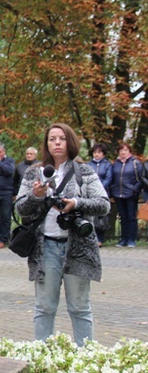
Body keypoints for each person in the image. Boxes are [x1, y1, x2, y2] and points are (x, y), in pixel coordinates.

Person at [15, 123, 109, 346]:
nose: (57, 143)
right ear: (46, 144)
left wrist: (76, 203)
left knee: (79, 307)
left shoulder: (83, 171)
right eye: (52, 139)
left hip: (77, 248)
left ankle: (85, 360)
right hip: (45, 246)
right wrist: (36, 196)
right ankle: (43, 360)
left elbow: (103, 204)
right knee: (44, 307)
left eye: (62, 138)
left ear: (70, 142)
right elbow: (20, 208)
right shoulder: (33, 172)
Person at [110, 142, 143, 248]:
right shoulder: (116, 163)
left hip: (130, 194)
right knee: (122, 217)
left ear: (129, 151)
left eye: (125, 150)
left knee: (131, 217)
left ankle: (131, 239)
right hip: (118, 194)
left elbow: (140, 178)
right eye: (121, 150)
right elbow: (113, 178)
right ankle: (123, 239)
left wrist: (135, 189)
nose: (123, 152)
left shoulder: (135, 163)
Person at [87, 143, 113, 246]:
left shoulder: (107, 164)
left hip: (103, 192)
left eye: (99, 152)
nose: (96, 154)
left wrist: (99, 188)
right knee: (91, 215)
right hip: (90, 194)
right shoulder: (88, 165)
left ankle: (100, 239)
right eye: (95, 152)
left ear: (103, 154)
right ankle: (91, 238)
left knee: (101, 216)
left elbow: (109, 178)